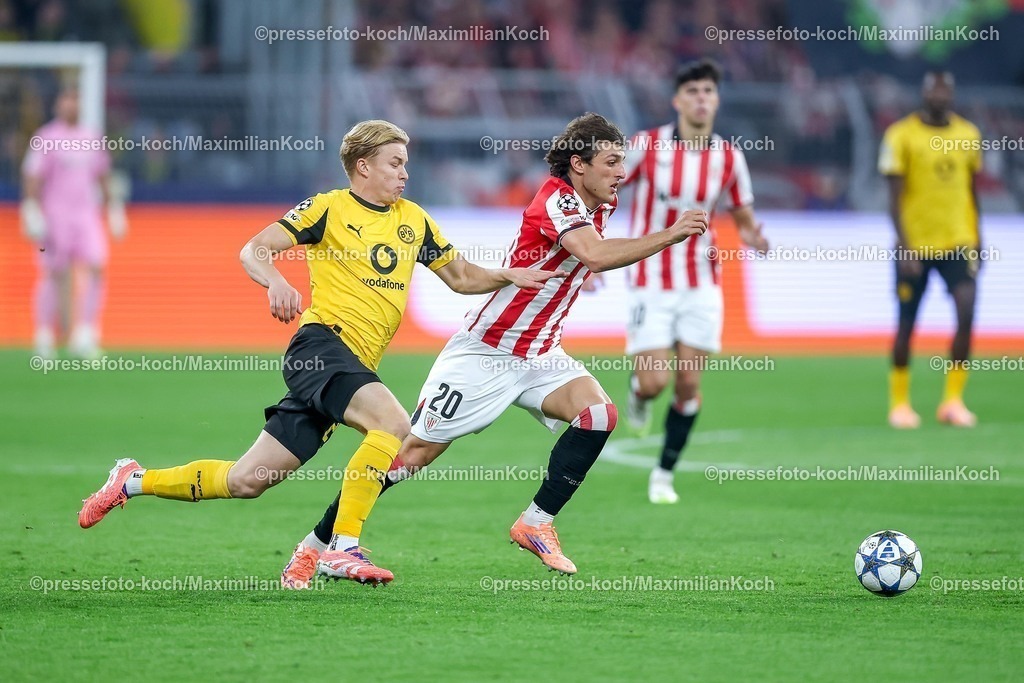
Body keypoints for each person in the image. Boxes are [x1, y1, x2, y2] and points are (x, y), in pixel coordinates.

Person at [77, 120, 563, 585]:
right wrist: (276, 281)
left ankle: (132, 480)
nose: (405, 173)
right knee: (394, 425)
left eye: (405, 163)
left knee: (248, 480)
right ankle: (342, 547)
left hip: (351, 368)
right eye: (394, 163)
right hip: (322, 348)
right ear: (363, 166)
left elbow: (461, 278)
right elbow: (254, 249)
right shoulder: (329, 208)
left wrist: (507, 274)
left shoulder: (413, 220)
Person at [280, 113, 709, 588]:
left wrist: (575, 277)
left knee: (598, 416)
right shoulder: (558, 198)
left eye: (622, 163)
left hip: (540, 352)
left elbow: (577, 256)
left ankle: (536, 522)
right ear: (578, 164)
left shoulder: (597, 204)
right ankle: (315, 546)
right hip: (487, 352)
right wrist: (671, 233)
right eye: (611, 162)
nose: (621, 173)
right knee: (411, 455)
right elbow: (594, 254)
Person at [620, 59, 769, 504]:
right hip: (649, 277)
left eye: (708, 91)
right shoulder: (645, 146)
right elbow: (605, 190)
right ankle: (638, 392)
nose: (701, 99)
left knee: (688, 384)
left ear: (716, 100)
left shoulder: (729, 157)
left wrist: (753, 236)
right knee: (654, 383)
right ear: (677, 100)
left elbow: (742, 214)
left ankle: (663, 474)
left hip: (701, 281)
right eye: (693, 91)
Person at [880, 71, 982, 429]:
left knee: (966, 312)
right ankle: (900, 403)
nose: (940, 95)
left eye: (945, 90)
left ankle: (953, 401)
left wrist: (978, 237)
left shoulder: (968, 134)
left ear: (952, 94)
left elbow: (971, 190)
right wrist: (905, 246)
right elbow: (893, 199)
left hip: (958, 241)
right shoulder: (901, 135)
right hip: (915, 245)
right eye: (934, 90)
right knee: (907, 323)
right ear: (923, 94)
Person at [21, 85, 128, 358]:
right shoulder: (46, 137)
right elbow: (33, 176)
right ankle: (44, 333)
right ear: (58, 104)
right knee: (53, 272)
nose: (72, 106)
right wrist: (31, 208)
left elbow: (102, 176)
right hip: (55, 214)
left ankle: (86, 333)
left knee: (96, 266)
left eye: (76, 100)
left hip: (86, 214)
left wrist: (114, 209)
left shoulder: (92, 137)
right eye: (67, 100)